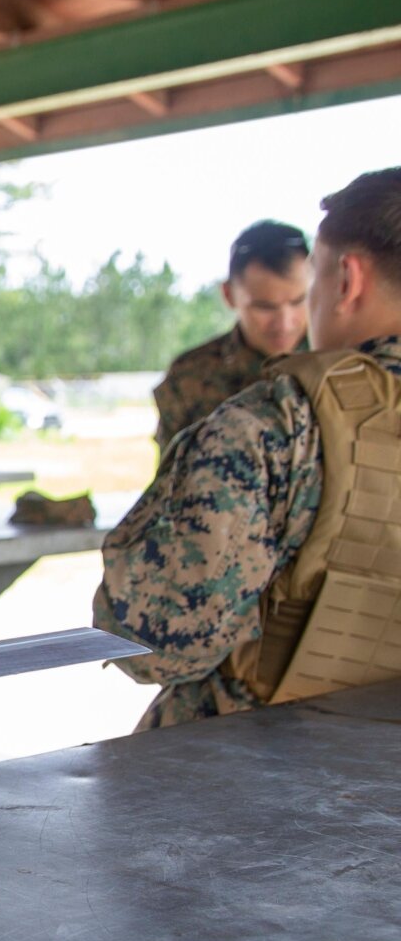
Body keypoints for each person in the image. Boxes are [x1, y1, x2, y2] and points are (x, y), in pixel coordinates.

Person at [96, 167, 401, 730]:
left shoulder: (270, 423)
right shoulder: (210, 382)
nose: (288, 319)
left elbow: (153, 639)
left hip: (269, 758)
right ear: (232, 296)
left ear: (346, 279)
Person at [152, 220, 311, 450]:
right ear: (229, 295)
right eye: (265, 307)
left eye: (298, 301)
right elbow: (172, 479)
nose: (285, 323)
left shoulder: (340, 364)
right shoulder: (190, 377)